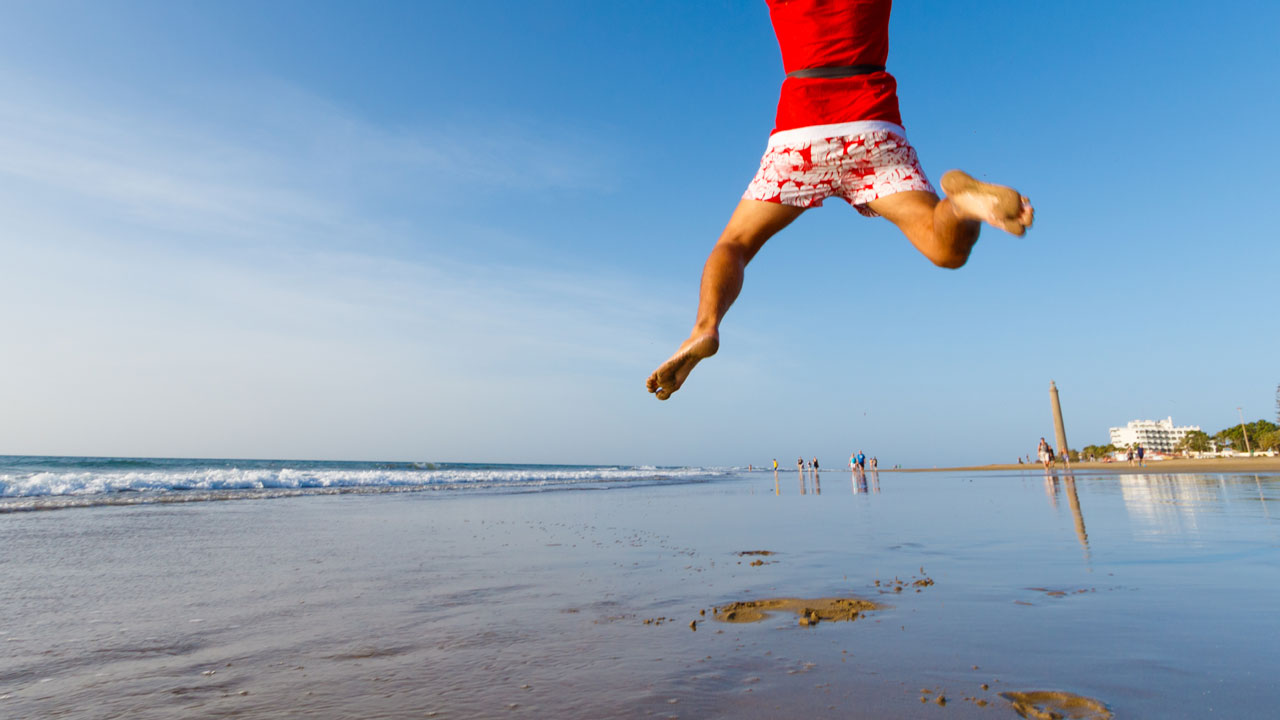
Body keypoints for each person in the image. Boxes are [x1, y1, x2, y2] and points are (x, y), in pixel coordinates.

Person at [646, 0, 1033, 400]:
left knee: (736, 244)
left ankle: (705, 326)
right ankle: (961, 206)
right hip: (873, 127)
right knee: (942, 245)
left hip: (802, 132)